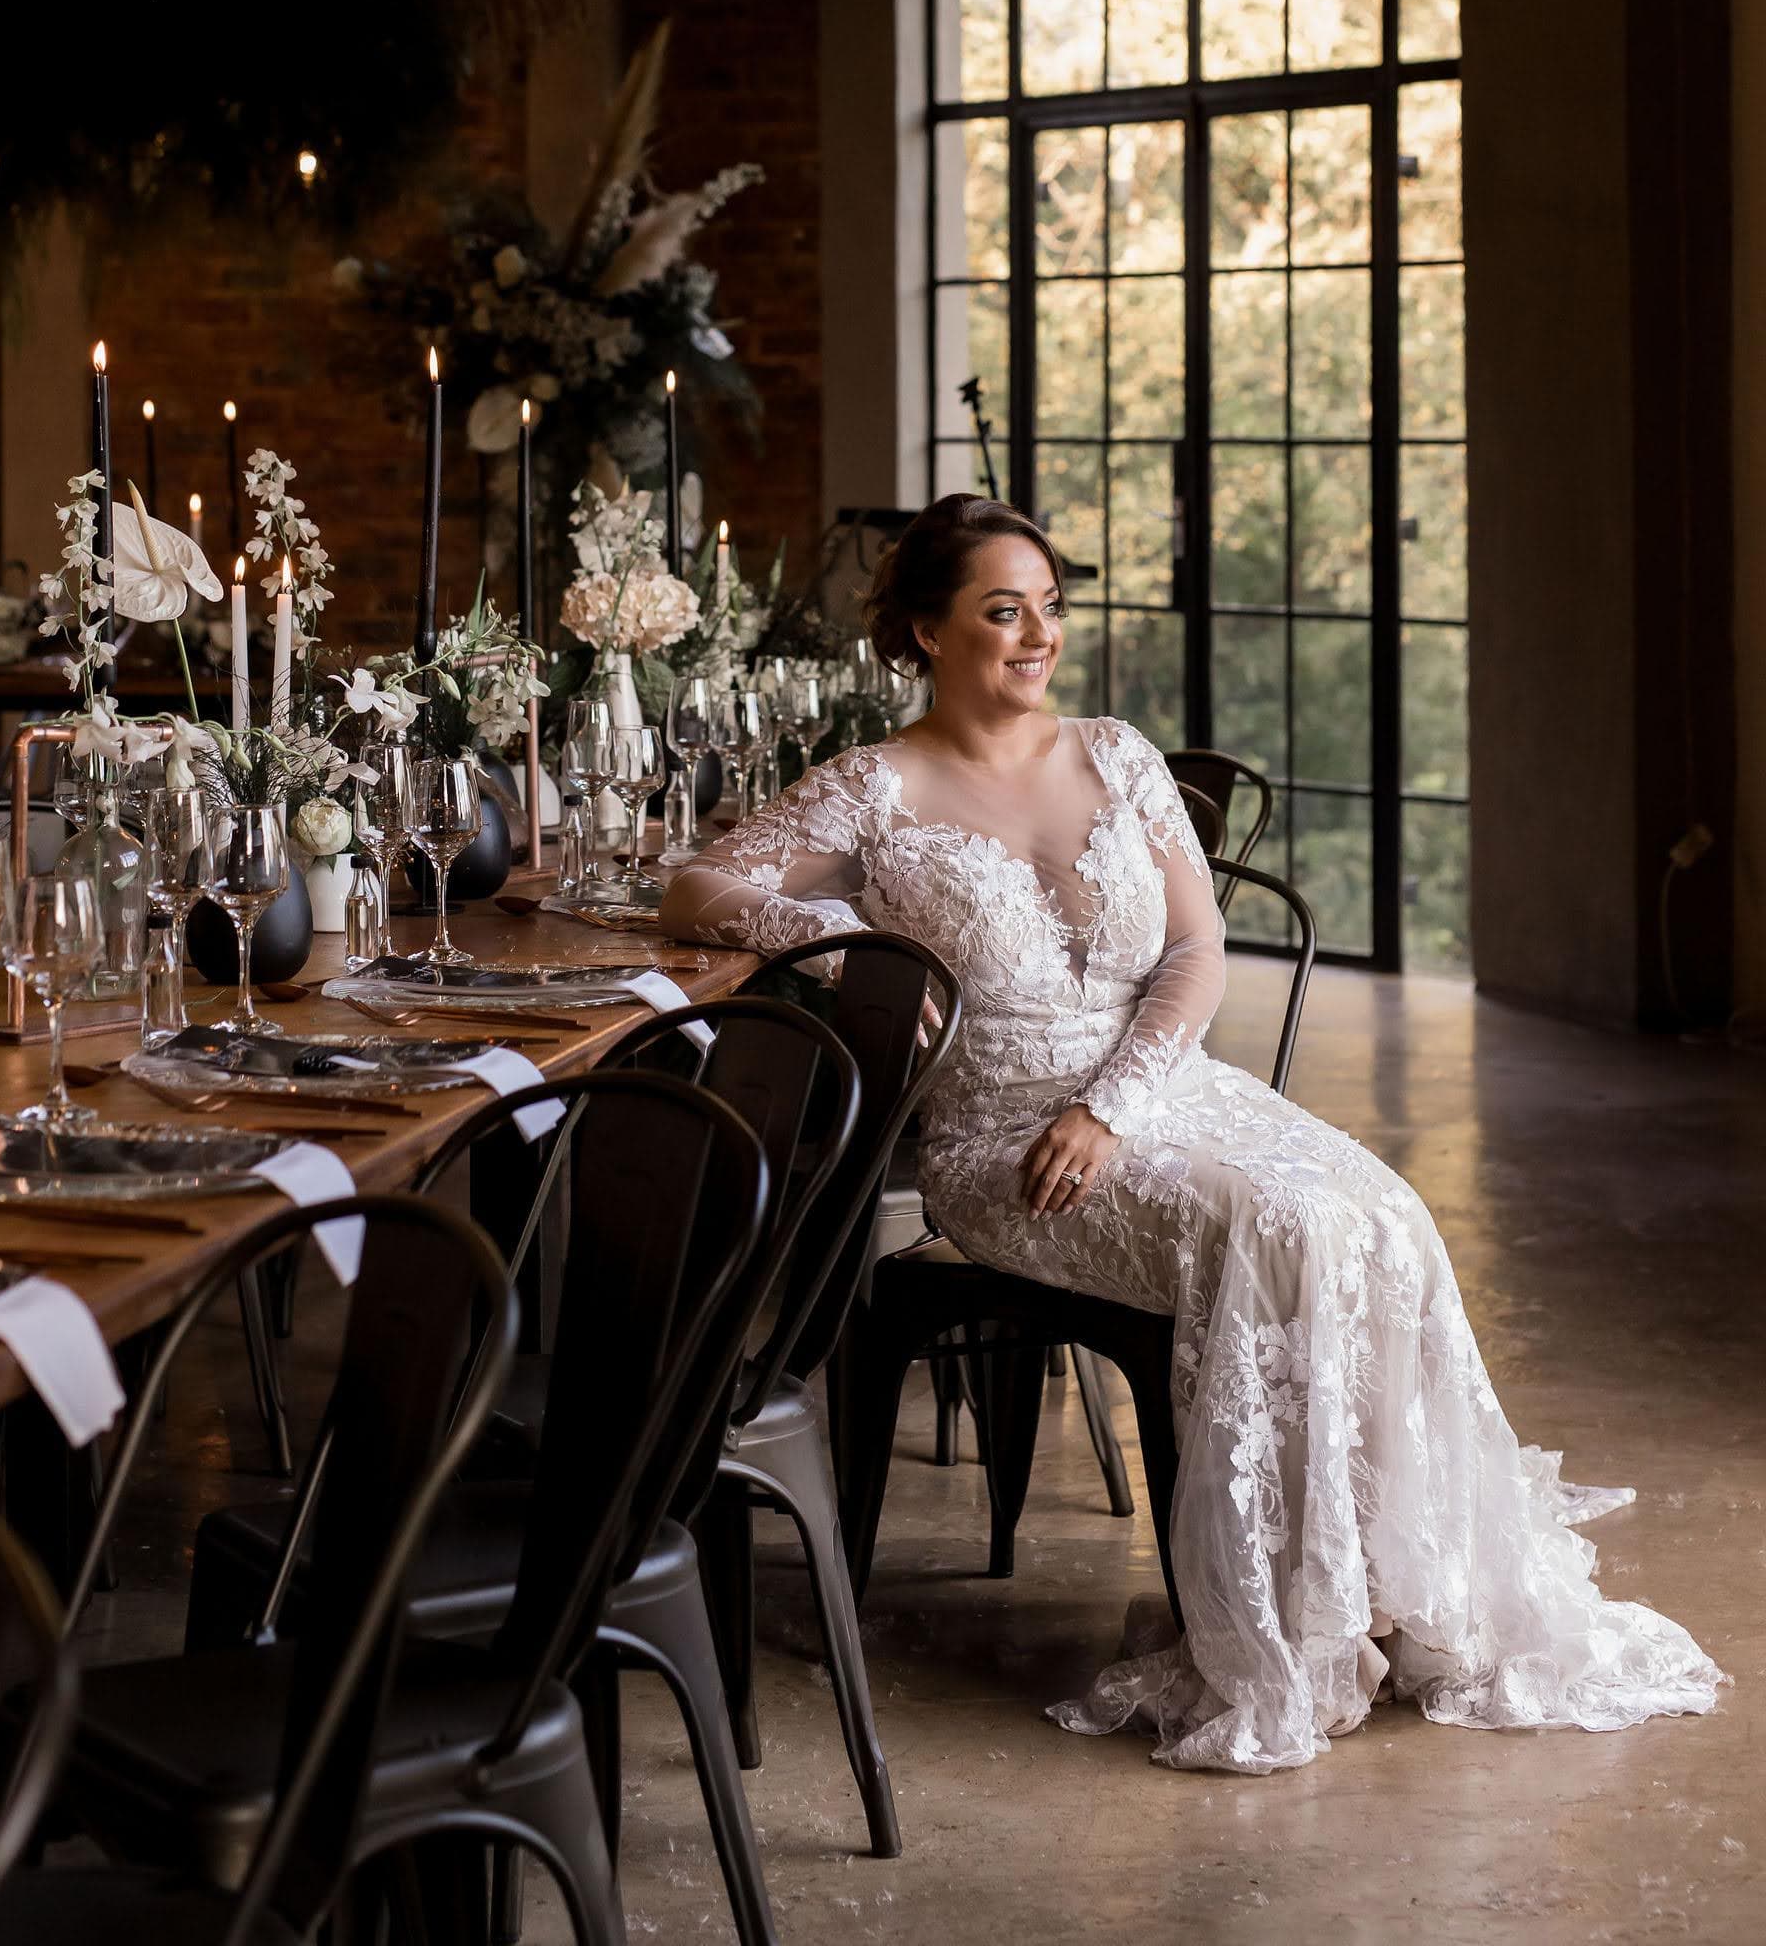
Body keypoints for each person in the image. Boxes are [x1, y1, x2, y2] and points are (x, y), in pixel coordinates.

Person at [660, 492, 1723, 1775]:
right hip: (1003, 1144)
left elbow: (1195, 951)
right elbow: (700, 884)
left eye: (1048, 607)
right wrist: (851, 952)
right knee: (1275, 1226)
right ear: (923, 631)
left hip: (1153, 1091)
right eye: (1002, 611)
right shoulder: (875, 787)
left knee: (1383, 1210)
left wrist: (1112, 1102)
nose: (1036, 635)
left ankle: (1385, 1587)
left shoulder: (1114, 752)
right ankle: (1290, 1623)